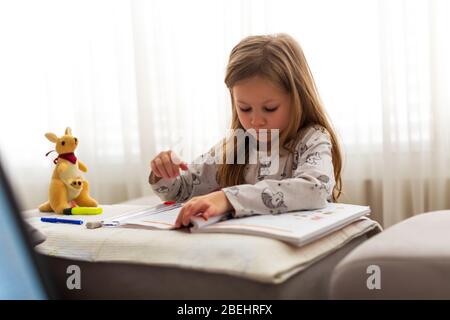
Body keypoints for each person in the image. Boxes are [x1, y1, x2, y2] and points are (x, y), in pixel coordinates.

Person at [148, 33, 342, 228]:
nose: (256, 121)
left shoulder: (313, 139)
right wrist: (164, 173)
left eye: (270, 108)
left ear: (297, 98)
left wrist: (227, 198)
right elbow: (181, 191)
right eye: (245, 108)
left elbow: (314, 190)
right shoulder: (238, 146)